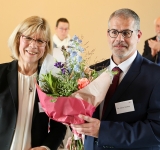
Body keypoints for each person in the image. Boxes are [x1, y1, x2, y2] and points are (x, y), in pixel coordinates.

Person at [70, 8, 160, 150]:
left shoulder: (155, 75)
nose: (119, 39)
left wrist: (104, 131)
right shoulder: (92, 71)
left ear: (138, 35)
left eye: (126, 33)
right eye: (114, 32)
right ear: (108, 34)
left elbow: (156, 131)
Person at [0, 16, 66, 150]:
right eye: (28, 38)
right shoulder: (0, 73)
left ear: (46, 45)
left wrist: (45, 147)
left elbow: (59, 127)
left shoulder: (52, 81)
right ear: (18, 39)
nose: (33, 45)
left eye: (40, 40)